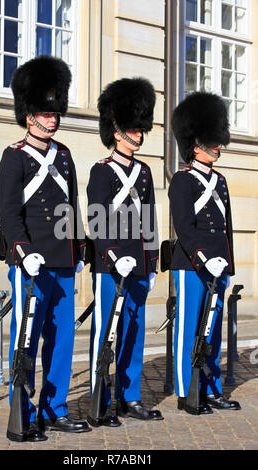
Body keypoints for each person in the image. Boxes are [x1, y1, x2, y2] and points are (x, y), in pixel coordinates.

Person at [0, 55, 90, 442]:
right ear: (28, 114)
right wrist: (22, 250)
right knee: (26, 339)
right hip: (32, 263)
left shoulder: (64, 154)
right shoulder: (14, 156)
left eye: (55, 111)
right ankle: (23, 411)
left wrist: (80, 246)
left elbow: (72, 204)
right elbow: (8, 212)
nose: (52, 118)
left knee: (63, 340)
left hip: (63, 261)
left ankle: (54, 408)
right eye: (44, 112)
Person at [86, 77, 163, 427]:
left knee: (133, 332)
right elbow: (96, 220)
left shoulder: (144, 172)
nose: (139, 133)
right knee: (107, 332)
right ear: (117, 131)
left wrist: (150, 264)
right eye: (133, 127)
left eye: (140, 126)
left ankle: (129, 396)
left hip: (138, 266)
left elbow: (149, 220)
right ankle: (100, 398)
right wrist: (116, 256)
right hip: (110, 266)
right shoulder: (102, 171)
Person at [169, 91, 241, 414]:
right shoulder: (182, 181)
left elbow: (224, 225)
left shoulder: (221, 181)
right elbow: (184, 227)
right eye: (211, 139)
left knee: (212, 332)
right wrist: (203, 259)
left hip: (218, 267)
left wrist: (226, 263)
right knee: (189, 328)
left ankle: (211, 388)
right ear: (195, 143)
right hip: (192, 266)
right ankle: (187, 391)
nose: (217, 145)